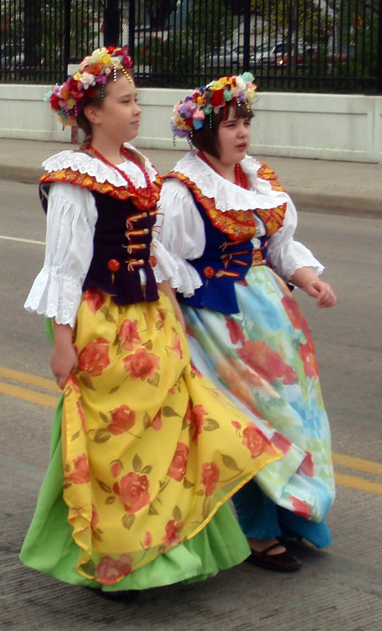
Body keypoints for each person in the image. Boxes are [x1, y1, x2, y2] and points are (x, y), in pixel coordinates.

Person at [19, 50, 300, 595]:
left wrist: (171, 307)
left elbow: (152, 253)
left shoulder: (140, 167)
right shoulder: (72, 177)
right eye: (126, 102)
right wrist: (62, 342)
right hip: (103, 322)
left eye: (137, 101)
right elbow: (64, 266)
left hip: (152, 318)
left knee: (168, 435)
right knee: (114, 439)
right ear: (94, 113)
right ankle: (119, 553)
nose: (136, 110)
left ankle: (165, 545)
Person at [154, 73, 337, 573]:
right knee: (249, 423)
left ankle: (292, 514)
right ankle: (256, 531)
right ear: (204, 132)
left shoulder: (256, 179)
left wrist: (308, 279)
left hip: (275, 320)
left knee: (295, 418)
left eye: (245, 123)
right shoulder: (183, 190)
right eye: (231, 124)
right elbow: (166, 260)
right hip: (219, 322)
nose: (241, 133)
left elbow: (277, 247)